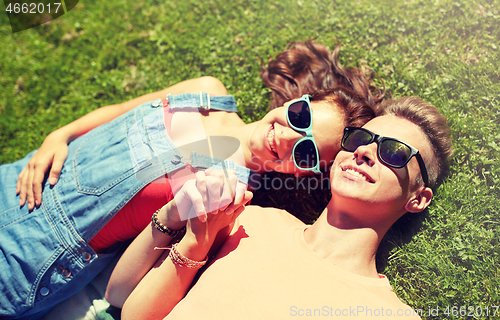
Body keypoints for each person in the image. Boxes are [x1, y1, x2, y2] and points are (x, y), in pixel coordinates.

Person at [0, 41, 380, 319]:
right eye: (300, 118)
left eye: (307, 152)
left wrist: (178, 218)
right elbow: (119, 112)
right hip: (16, 180)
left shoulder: (230, 199)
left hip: (31, 263)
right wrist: (59, 136)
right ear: (298, 101)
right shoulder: (208, 92)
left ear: (304, 174)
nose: (286, 137)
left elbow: (121, 291)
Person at [108, 96, 453, 320]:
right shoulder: (249, 220)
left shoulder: (389, 315)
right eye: (359, 139)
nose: (364, 152)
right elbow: (129, 309)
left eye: (392, 152)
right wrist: (193, 238)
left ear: (417, 199)